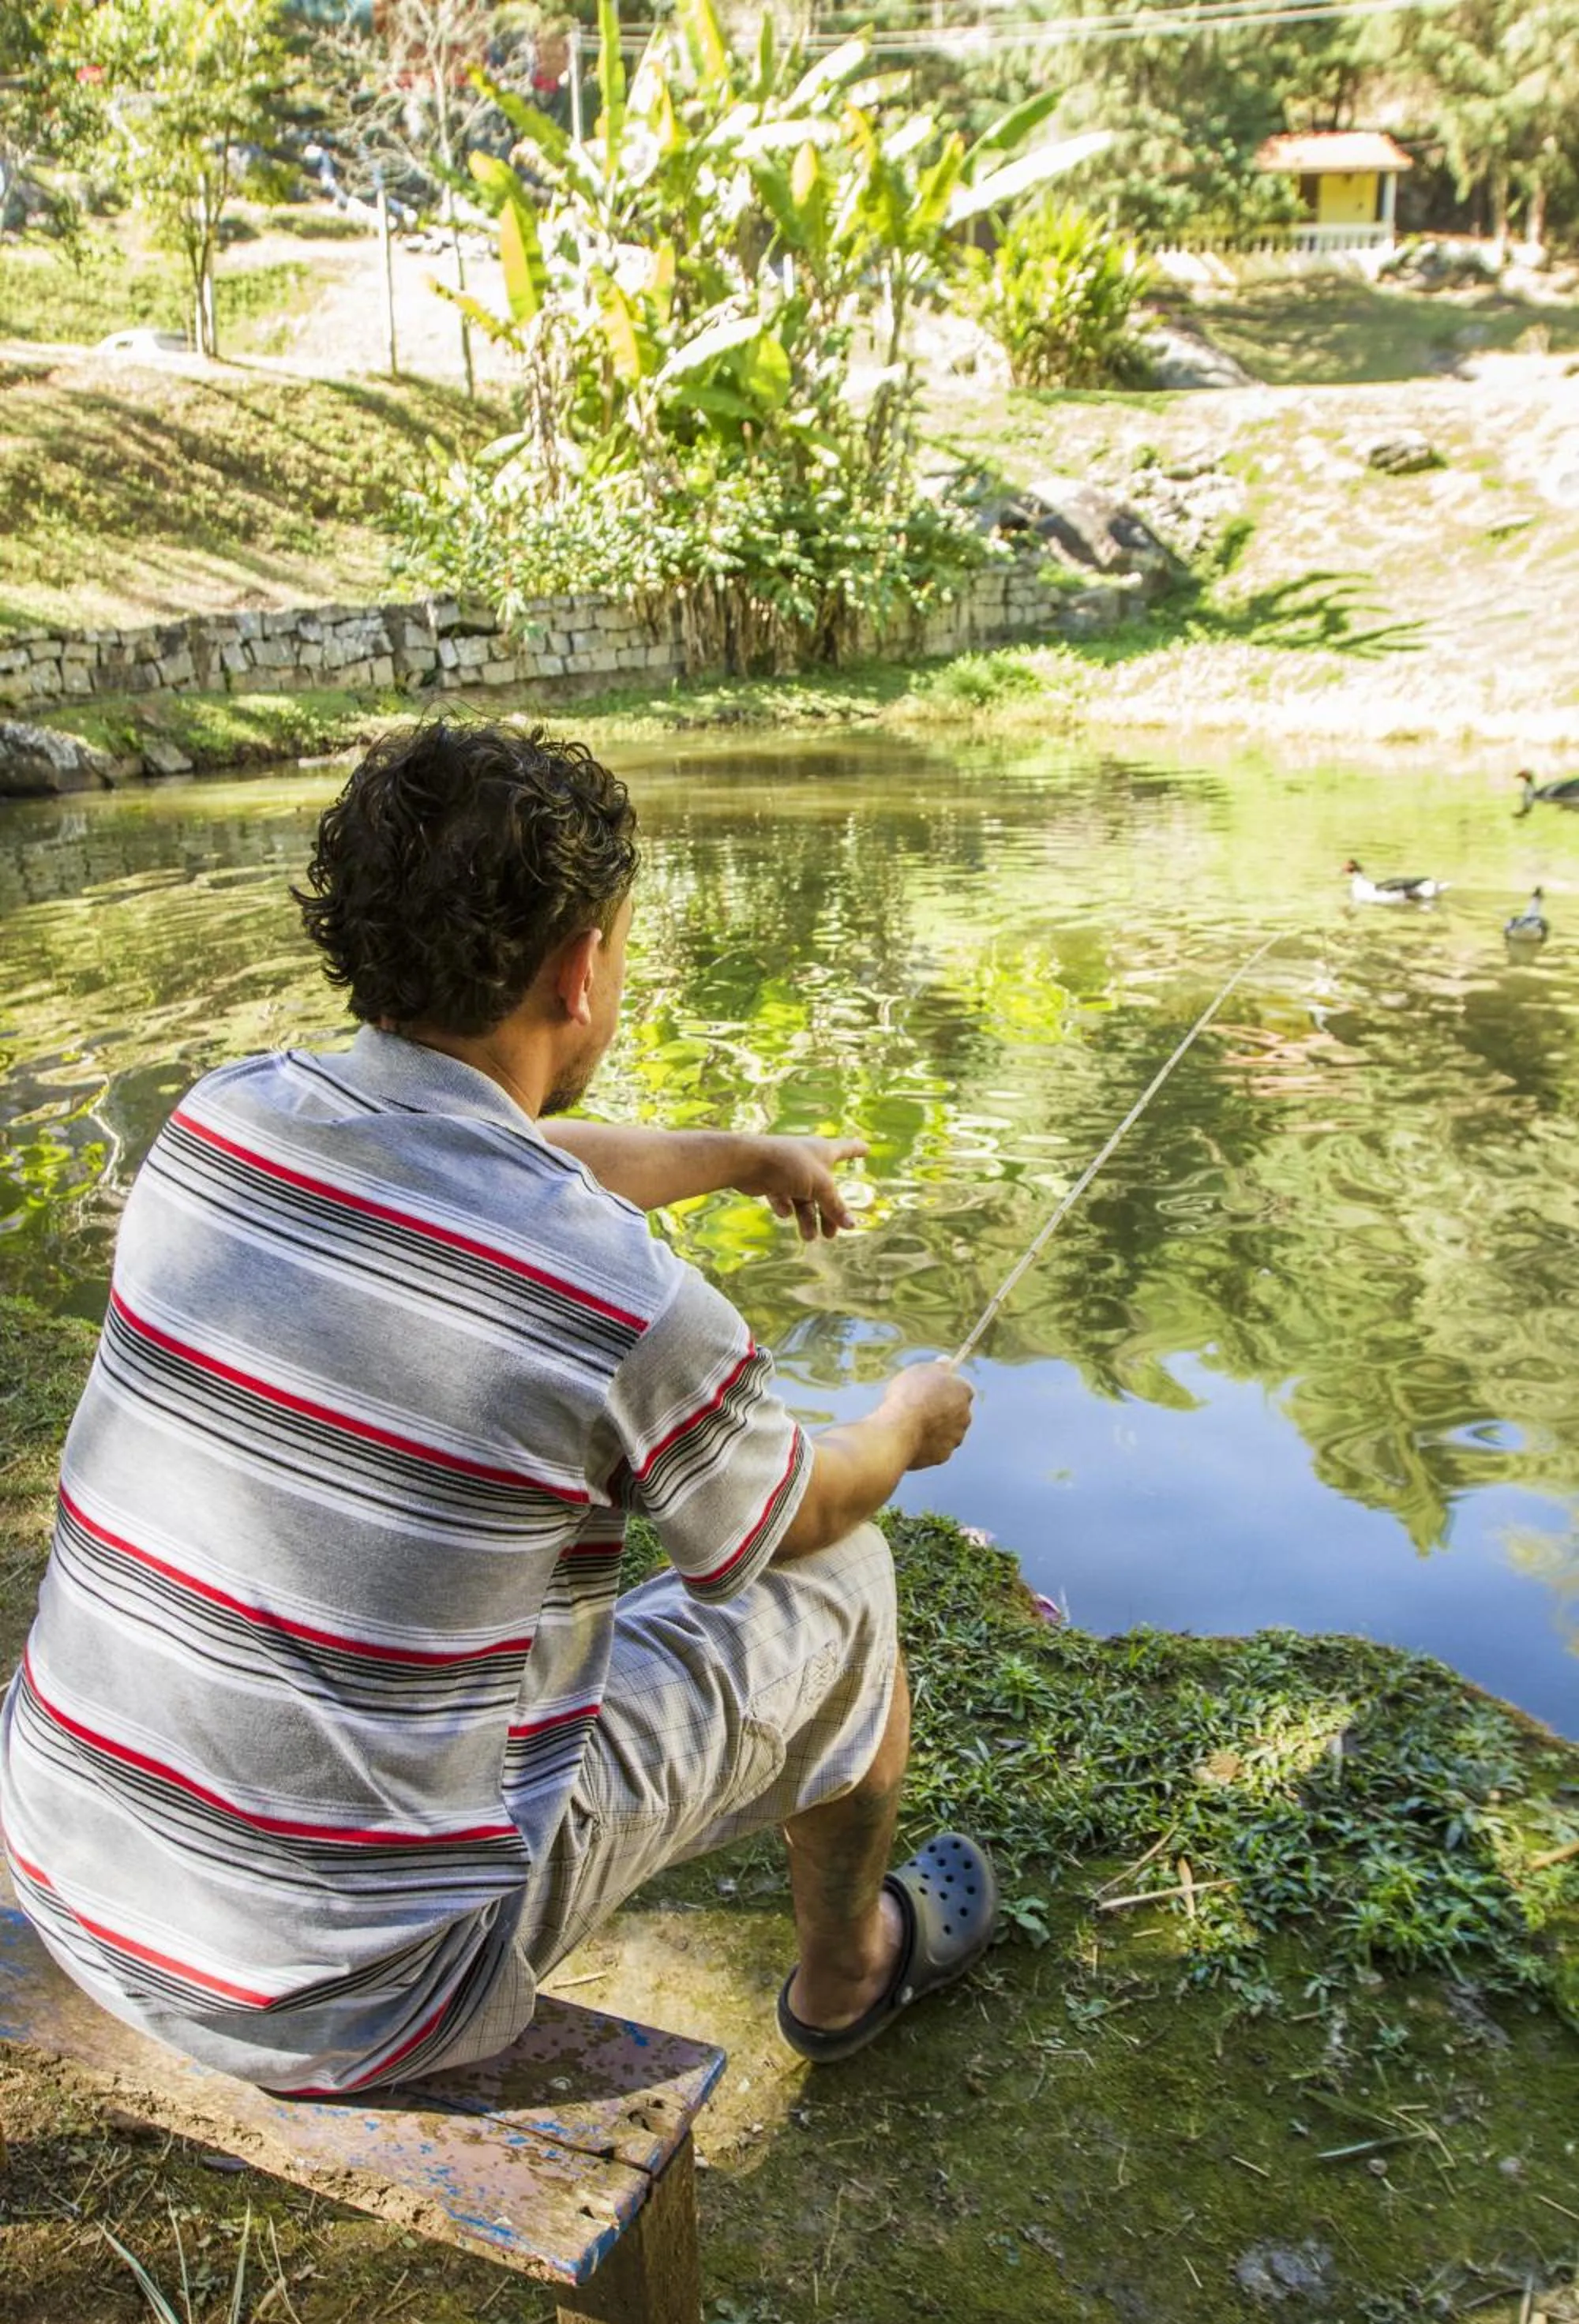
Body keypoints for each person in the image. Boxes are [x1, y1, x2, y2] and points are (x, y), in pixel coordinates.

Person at [0, 720, 992, 2096]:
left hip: (68, 1863)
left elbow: (482, 1148)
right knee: (851, 1586)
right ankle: (847, 1973)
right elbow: (795, 1515)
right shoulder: (621, 1301)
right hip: (352, 1995)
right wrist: (906, 1420)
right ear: (582, 967)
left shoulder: (220, 1121)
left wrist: (735, 1157)